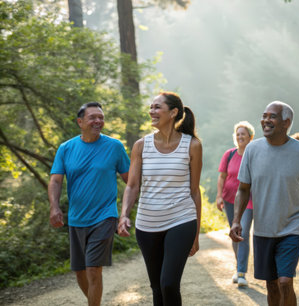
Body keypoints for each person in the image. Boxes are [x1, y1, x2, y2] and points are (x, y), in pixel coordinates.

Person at [229, 101, 299, 306]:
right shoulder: (252, 150)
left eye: (272, 116)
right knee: (271, 284)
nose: (265, 120)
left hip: (292, 227)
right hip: (263, 228)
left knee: (284, 282)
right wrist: (236, 220)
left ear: (286, 123)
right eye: (264, 116)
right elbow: (243, 189)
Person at [118, 91, 202, 306]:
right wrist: (124, 215)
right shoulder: (141, 145)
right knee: (156, 288)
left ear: (173, 112)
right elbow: (133, 185)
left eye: (157, 107)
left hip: (181, 220)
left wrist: (196, 234)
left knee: (169, 284)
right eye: (151, 107)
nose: (151, 111)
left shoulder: (192, 145)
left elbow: (194, 191)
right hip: (147, 224)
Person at [48, 102, 130, 306]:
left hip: (105, 216)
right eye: (93, 117)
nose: (98, 121)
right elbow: (56, 180)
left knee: (94, 268)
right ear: (80, 122)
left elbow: (131, 181)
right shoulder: (66, 149)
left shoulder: (115, 147)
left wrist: (126, 211)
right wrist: (54, 206)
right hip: (77, 218)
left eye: (101, 117)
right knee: (80, 271)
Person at [216, 121, 255, 287]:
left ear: (250, 137)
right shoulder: (229, 154)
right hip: (229, 199)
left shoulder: (254, 155)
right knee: (234, 232)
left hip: (248, 200)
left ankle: (241, 272)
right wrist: (219, 196)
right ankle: (238, 266)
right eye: (238, 134)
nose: (240, 137)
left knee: (243, 232)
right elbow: (222, 176)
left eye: (243, 134)